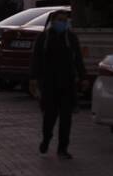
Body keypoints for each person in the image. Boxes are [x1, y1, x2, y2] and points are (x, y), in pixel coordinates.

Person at [29, 9, 87, 159]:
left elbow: (78, 59)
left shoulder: (71, 38)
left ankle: (63, 148)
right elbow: (36, 59)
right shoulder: (44, 38)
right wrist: (34, 79)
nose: (63, 23)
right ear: (53, 21)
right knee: (49, 117)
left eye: (65, 20)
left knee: (66, 119)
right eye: (60, 20)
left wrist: (83, 77)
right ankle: (46, 139)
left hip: (67, 83)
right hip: (49, 83)